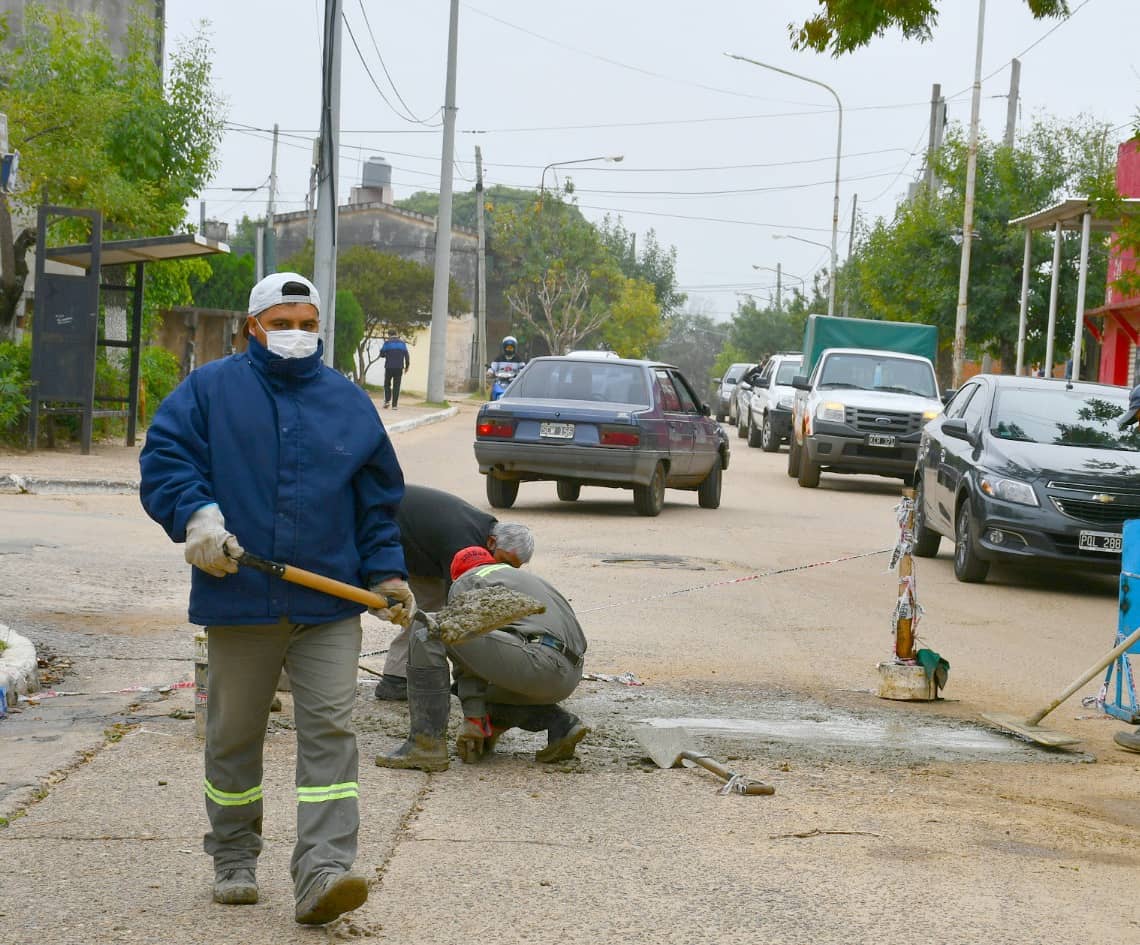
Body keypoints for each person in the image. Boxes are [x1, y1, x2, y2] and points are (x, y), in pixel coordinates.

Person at [139, 272, 415, 926]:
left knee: (330, 732)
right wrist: (197, 516)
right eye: (283, 321)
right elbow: (166, 460)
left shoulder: (349, 404)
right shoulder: (209, 392)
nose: (296, 333)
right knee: (234, 734)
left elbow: (377, 504)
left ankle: (323, 868)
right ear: (252, 326)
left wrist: (388, 573)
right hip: (240, 598)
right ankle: (234, 853)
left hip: (329, 606)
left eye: (307, 322)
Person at [376, 546, 589, 772]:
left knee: (427, 626)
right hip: (568, 675)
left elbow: (464, 646)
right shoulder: (528, 580)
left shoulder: (467, 581)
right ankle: (559, 724)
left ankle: (425, 746)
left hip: (535, 661)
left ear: (455, 576)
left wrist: (473, 716)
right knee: (485, 690)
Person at [373, 485, 534, 701]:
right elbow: (459, 615)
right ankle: (396, 679)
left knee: (429, 609)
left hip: (421, 547)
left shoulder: (485, 531)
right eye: (504, 562)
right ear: (492, 543)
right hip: (382, 530)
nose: (503, 571)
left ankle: (396, 678)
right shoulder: (463, 544)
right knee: (442, 617)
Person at [380, 328, 410, 409]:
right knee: (397, 386)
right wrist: (407, 367)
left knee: (387, 384)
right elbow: (407, 356)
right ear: (396, 333)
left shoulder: (387, 343)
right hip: (399, 367)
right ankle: (394, 405)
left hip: (389, 367)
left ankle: (387, 401)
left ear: (389, 335)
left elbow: (381, 354)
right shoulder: (402, 344)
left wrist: (387, 355)